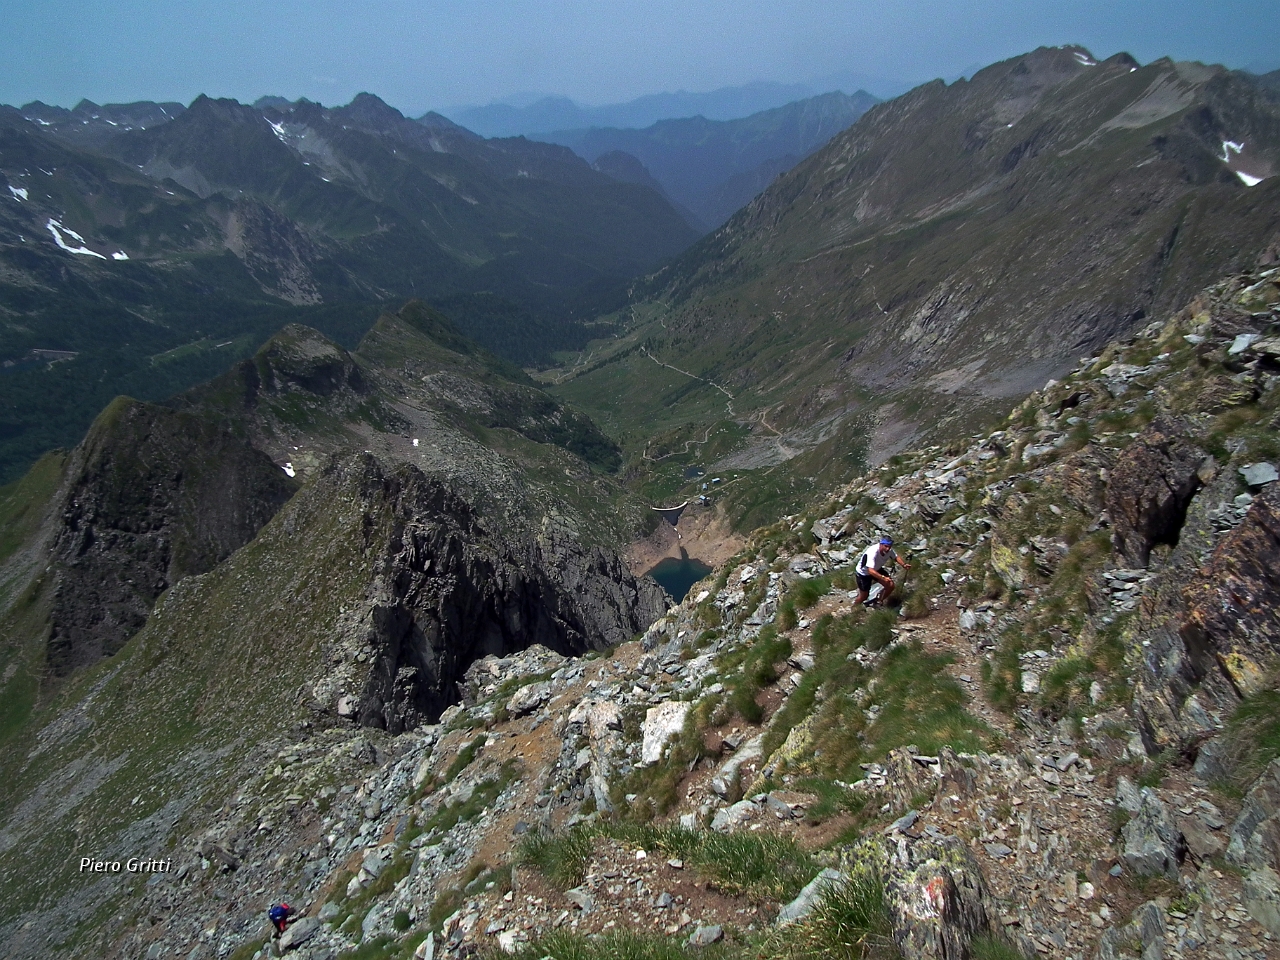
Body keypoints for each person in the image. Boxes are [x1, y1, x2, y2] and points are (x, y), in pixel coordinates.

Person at [854, 537, 910, 607]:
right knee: (864, 596)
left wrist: (903, 565)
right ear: (881, 544)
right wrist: (883, 578)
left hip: (876, 569)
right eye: (886, 546)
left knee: (890, 585)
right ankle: (855, 606)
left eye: (889, 547)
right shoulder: (872, 552)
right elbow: (870, 570)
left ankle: (879, 600)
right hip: (863, 573)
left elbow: (895, 557)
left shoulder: (889, 550)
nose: (887, 549)